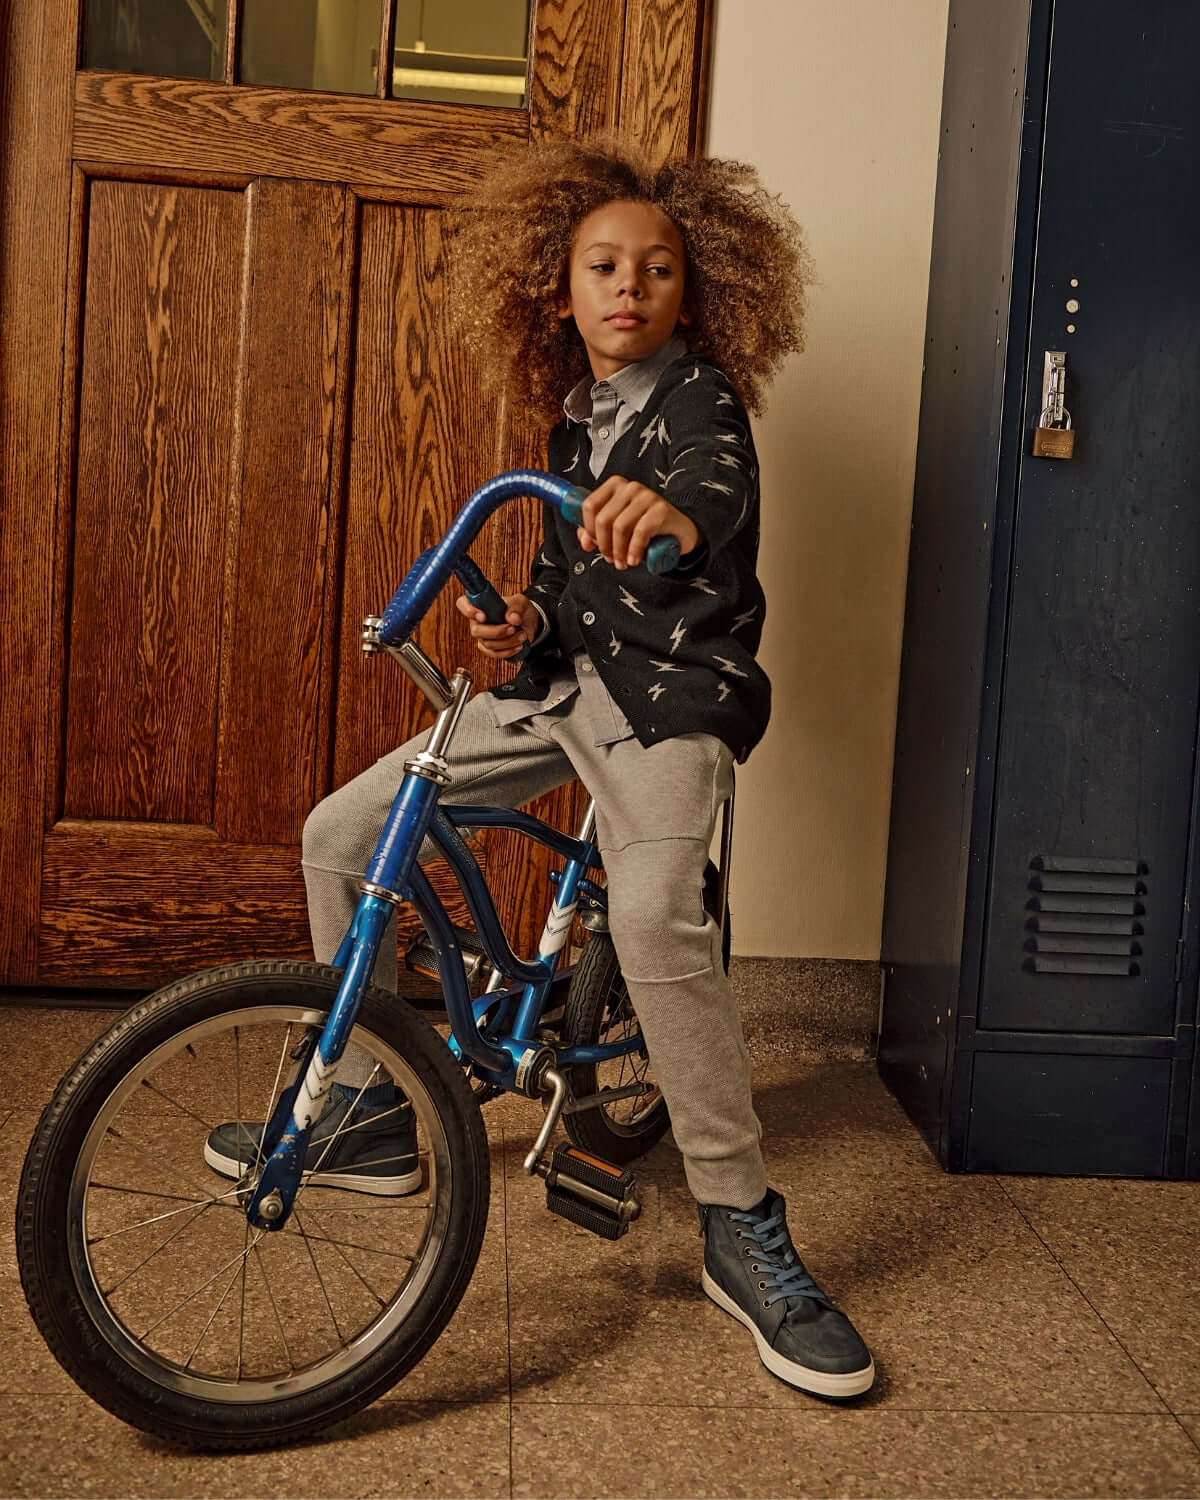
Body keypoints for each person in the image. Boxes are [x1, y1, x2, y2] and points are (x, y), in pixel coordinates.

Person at [204, 137, 874, 1400]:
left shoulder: (699, 405)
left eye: (658, 270)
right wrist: (515, 636)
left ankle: (740, 1219)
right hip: (565, 696)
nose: (630, 288)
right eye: (604, 268)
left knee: (658, 909)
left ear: (697, 292)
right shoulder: (571, 431)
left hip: (667, 707)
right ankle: (368, 1111)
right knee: (340, 832)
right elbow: (561, 603)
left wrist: (668, 521)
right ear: (556, 292)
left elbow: (709, 501)